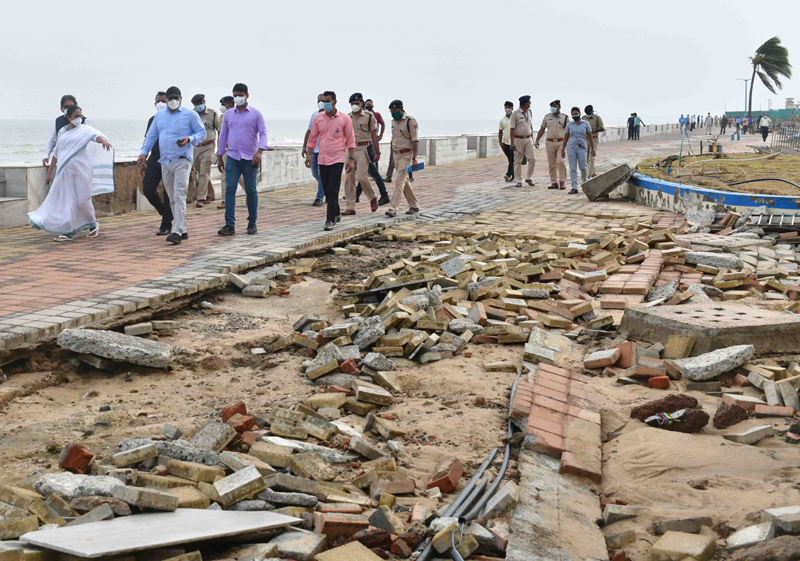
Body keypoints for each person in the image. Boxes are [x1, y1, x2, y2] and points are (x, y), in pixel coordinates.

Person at [29, 106, 114, 241]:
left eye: (80, 115)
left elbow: (95, 136)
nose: (79, 119)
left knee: (82, 200)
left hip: (82, 170)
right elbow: (57, 152)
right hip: (65, 171)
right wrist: (50, 172)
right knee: (66, 201)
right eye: (75, 116)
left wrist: (103, 141)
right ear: (68, 118)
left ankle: (92, 224)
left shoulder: (85, 130)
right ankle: (68, 230)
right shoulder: (62, 132)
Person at [138, 86, 206, 245]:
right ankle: (183, 230)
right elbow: (151, 136)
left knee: (179, 194)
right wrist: (143, 153)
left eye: (176, 98)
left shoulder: (190, 114)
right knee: (171, 196)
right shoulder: (159, 116)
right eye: (171, 99)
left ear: (181, 99)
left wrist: (189, 139)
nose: (173, 101)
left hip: (182, 159)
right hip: (165, 160)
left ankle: (176, 231)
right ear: (167, 100)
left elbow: (201, 133)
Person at [217, 83, 268, 237]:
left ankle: (252, 222)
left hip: (250, 157)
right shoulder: (228, 115)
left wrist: (259, 152)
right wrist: (220, 156)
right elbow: (223, 136)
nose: (238, 97)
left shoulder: (256, 114)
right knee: (230, 189)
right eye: (235, 95)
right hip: (232, 156)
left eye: (240, 94)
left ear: (247, 95)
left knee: (251, 190)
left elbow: (263, 134)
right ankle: (229, 224)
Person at [304, 91, 355, 230]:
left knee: (333, 189)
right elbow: (312, 138)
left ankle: (330, 219)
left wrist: (351, 159)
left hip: (337, 159)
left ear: (334, 102)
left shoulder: (344, 119)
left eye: (328, 101)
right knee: (327, 190)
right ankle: (336, 212)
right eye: (323, 101)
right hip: (322, 159)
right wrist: (308, 155)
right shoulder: (318, 118)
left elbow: (350, 140)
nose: (325, 104)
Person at [141, 91, 173, 236]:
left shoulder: (175, 118)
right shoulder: (152, 120)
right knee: (147, 188)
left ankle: (166, 224)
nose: (161, 104)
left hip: (170, 159)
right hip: (154, 159)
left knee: (168, 192)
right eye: (158, 102)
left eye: (163, 101)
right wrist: (143, 155)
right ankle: (165, 213)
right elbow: (148, 139)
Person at [342, 93, 380, 215]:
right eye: (352, 104)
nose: (354, 106)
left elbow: (374, 135)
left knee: (362, 177)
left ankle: (372, 197)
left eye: (357, 104)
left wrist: (377, 151)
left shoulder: (369, 116)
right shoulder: (347, 117)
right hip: (350, 149)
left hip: (363, 148)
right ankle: (350, 207)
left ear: (362, 103)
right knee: (349, 179)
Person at [384, 100, 420, 217]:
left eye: (395, 111)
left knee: (399, 181)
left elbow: (415, 141)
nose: (393, 113)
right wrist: (393, 158)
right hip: (396, 154)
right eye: (391, 111)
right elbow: (394, 140)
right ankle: (414, 205)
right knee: (404, 182)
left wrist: (414, 158)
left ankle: (392, 208)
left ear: (401, 109)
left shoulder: (410, 121)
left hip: (406, 154)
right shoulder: (393, 122)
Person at [355, 100, 391, 205]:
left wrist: (378, 149)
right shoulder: (358, 116)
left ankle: (384, 195)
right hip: (359, 149)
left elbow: (377, 130)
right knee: (364, 173)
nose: (369, 107)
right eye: (368, 105)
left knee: (372, 172)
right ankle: (356, 195)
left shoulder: (373, 116)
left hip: (369, 148)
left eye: (371, 105)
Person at [190, 94, 221, 208]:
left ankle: (200, 198)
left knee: (204, 172)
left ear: (204, 102)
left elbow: (219, 130)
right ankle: (211, 195)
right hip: (196, 147)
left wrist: (219, 148)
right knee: (201, 172)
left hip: (209, 146)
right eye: (197, 104)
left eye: (201, 103)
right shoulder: (191, 115)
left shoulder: (212, 114)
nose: (199, 106)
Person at [43, 95, 88, 167]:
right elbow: (53, 140)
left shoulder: (83, 121)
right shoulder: (59, 122)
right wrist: (46, 155)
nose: (69, 108)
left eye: (71, 106)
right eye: (66, 107)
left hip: (80, 161)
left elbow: (93, 137)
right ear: (61, 109)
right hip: (63, 161)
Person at [561, 106, 595, 195]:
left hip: (582, 147)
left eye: (576, 114)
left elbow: (590, 137)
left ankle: (584, 184)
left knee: (583, 167)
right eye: (573, 115)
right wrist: (562, 149)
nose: (574, 116)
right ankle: (574, 187)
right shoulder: (569, 125)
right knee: (572, 168)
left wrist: (593, 148)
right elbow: (566, 137)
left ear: (579, 114)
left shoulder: (586, 124)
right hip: (571, 147)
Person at [535, 100, 568, 190]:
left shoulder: (565, 118)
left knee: (561, 161)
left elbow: (569, 131)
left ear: (559, 107)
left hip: (561, 142)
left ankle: (562, 181)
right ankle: (554, 182)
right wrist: (537, 140)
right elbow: (542, 129)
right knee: (552, 163)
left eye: (555, 106)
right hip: (549, 142)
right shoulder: (547, 117)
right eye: (552, 106)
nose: (553, 108)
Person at [303, 94, 326, 207]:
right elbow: (309, 132)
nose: (321, 103)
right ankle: (326, 189)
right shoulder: (314, 115)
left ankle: (319, 197)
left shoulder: (330, 116)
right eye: (319, 101)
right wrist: (305, 147)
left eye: (323, 101)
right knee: (315, 173)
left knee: (322, 174)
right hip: (314, 149)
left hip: (325, 150)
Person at [508, 96, 535, 187]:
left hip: (528, 138)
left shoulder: (529, 112)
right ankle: (518, 180)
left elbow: (530, 125)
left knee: (532, 158)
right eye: (529, 102)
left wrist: (532, 138)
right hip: (518, 139)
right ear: (525, 103)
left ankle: (529, 178)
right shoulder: (515, 114)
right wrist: (512, 142)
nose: (530, 104)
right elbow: (511, 129)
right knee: (518, 160)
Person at [582, 105, 604, 178]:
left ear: (592, 112)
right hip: (586, 139)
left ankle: (589, 174)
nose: (588, 114)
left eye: (589, 113)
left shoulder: (597, 118)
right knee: (586, 157)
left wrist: (593, 130)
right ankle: (593, 172)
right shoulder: (584, 118)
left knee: (592, 157)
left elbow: (602, 128)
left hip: (594, 139)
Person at [499, 101, 515, 182]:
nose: (507, 109)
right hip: (506, 143)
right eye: (506, 107)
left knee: (512, 159)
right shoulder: (502, 120)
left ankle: (508, 174)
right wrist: (500, 142)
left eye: (509, 107)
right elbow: (500, 131)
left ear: (512, 108)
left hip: (513, 143)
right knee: (510, 160)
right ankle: (514, 176)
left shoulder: (515, 118)